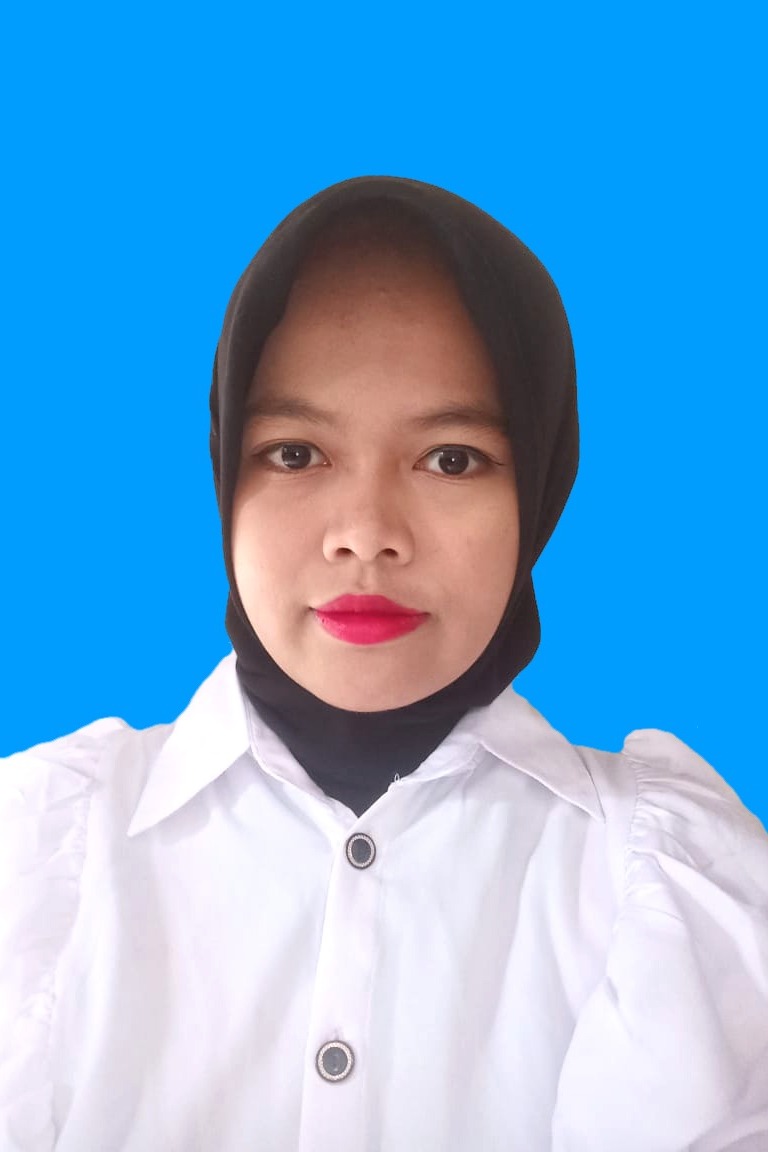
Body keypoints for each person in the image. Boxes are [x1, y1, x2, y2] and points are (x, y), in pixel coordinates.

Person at [1, 176, 766, 1152]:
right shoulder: (37, 851)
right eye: (294, 453)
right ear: (225, 469)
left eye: (451, 458)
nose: (366, 534)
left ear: (539, 485)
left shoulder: (671, 887)